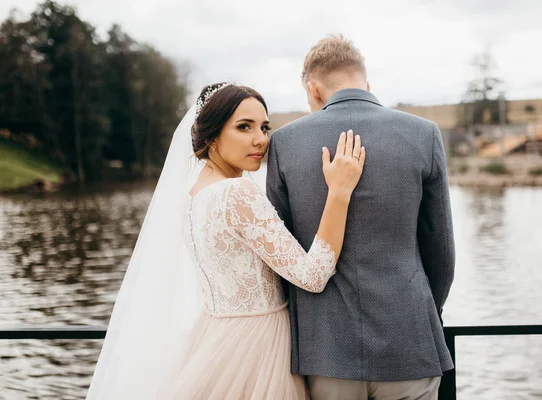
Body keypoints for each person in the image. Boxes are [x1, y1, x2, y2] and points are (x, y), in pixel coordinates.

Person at [86, 82, 366, 399]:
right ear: (212, 137)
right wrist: (339, 192)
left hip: (215, 338)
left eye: (264, 127)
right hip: (258, 346)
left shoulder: (192, 194)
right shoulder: (237, 193)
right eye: (243, 127)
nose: (260, 139)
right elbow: (312, 276)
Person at [266, 35, 456, 400]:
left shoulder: (284, 143)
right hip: (410, 339)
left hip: (325, 351)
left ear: (314, 89)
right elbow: (441, 250)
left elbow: (281, 258)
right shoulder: (424, 134)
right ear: (366, 84)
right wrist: (427, 311)